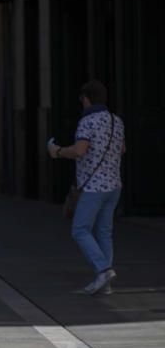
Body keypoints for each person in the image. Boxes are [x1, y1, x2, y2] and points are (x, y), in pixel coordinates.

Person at [48, 80, 125, 296]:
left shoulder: (88, 121)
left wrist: (58, 151)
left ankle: (103, 270)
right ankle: (105, 283)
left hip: (93, 186)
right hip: (114, 185)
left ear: (86, 99)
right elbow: (122, 148)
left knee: (80, 229)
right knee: (104, 232)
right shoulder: (115, 120)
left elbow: (80, 150)